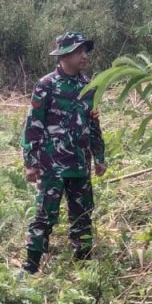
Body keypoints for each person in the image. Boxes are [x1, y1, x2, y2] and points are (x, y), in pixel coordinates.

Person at [20, 31, 106, 274]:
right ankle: (31, 266)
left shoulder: (88, 87)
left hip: (80, 164)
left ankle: (84, 264)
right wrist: (31, 162)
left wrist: (99, 156)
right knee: (45, 214)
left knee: (83, 214)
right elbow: (33, 125)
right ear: (65, 55)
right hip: (51, 165)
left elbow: (94, 123)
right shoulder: (46, 85)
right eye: (80, 51)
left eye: (85, 51)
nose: (84, 56)